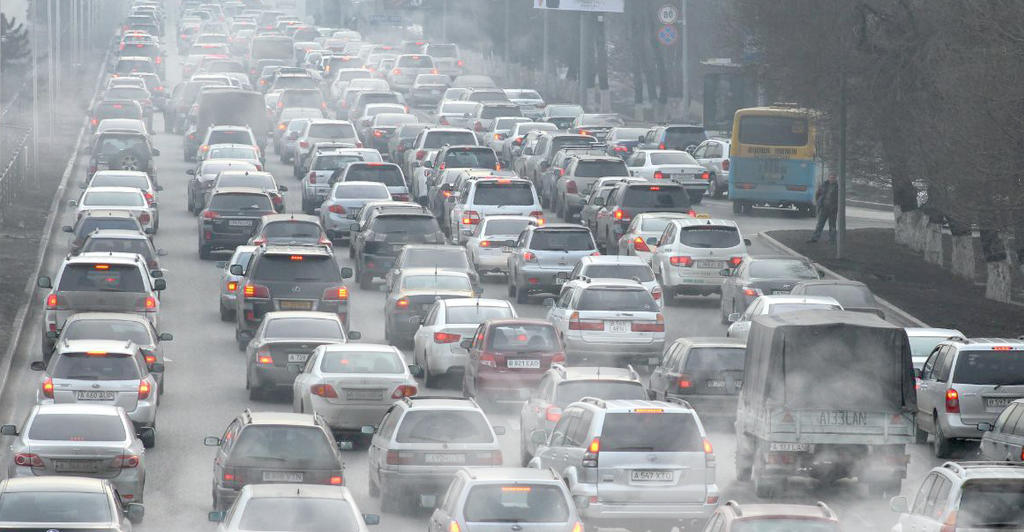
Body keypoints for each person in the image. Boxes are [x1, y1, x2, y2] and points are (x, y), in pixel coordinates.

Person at [808, 173, 839, 243]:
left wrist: (836, 206)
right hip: (823, 208)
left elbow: (840, 199)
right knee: (820, 224)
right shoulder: (824, 185)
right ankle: (814, 238)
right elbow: (818, 193)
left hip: (833, 209)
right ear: (828, 178)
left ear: (836, 179)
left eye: (833, 178)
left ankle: (832, 240)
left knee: (832, 225)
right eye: (831, 177)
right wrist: (818, 202)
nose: (832, 179)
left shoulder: (838, 187)